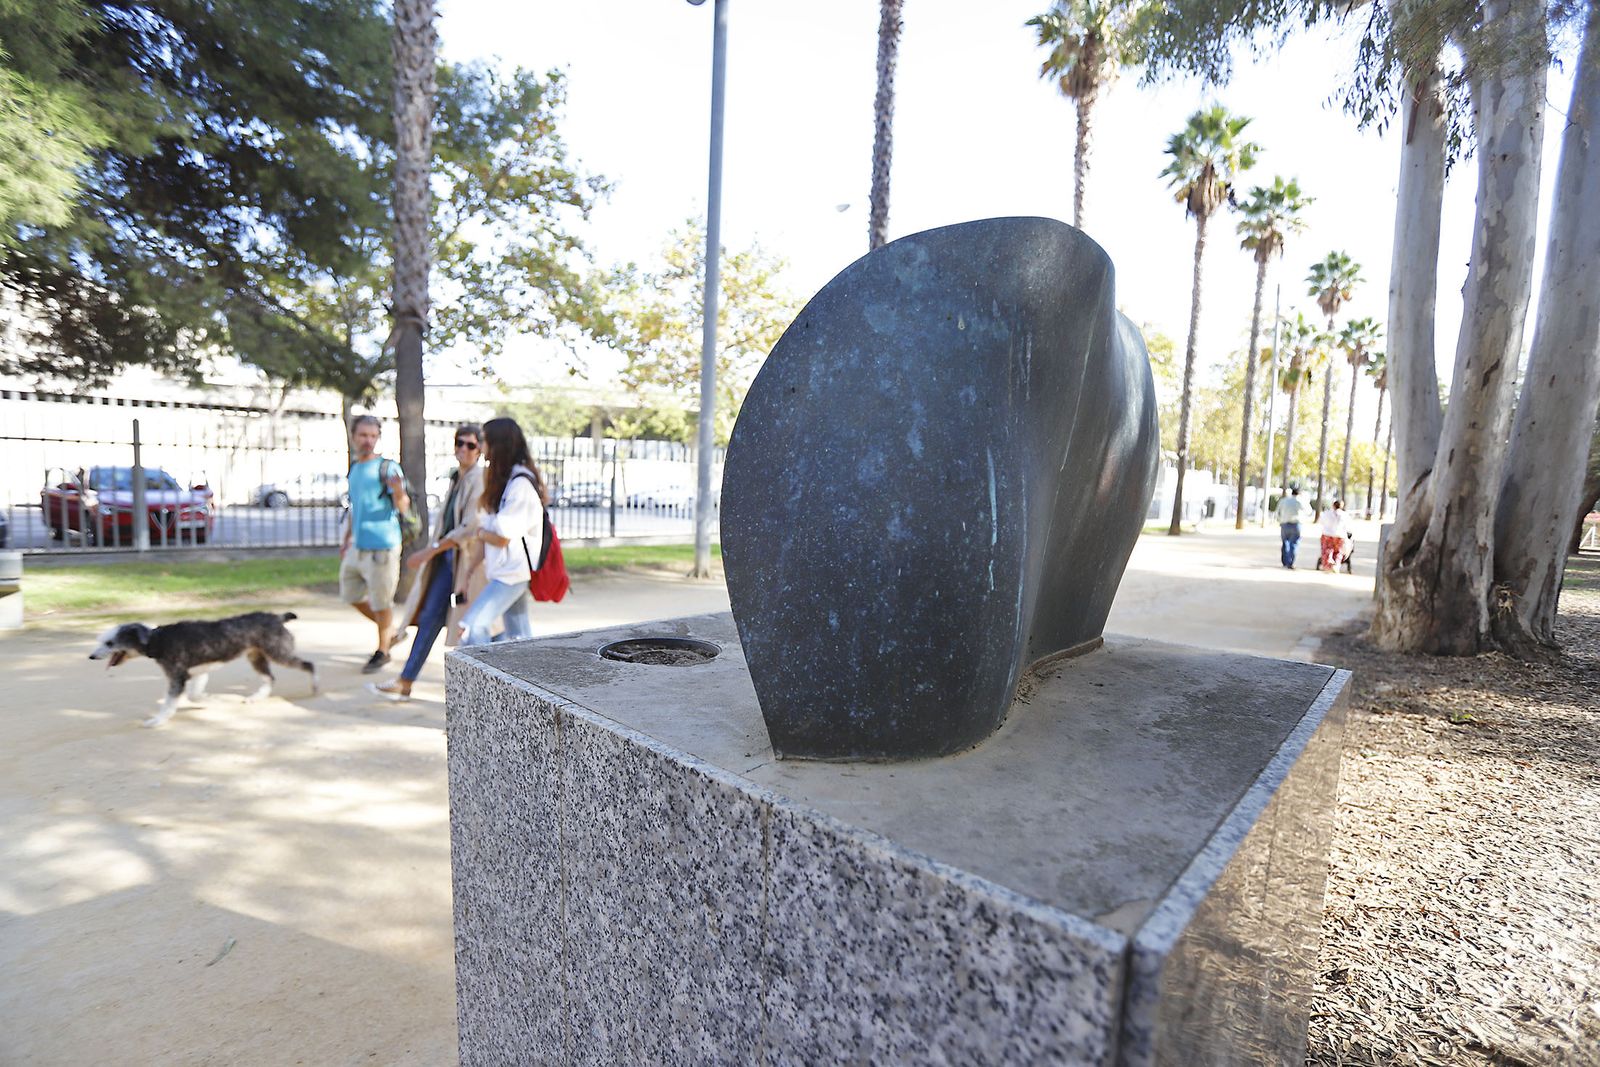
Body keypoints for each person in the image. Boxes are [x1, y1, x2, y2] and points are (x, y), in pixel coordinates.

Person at [367, 424, 487, 702]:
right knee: (432, 618)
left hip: (464, 563)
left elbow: (470, 527)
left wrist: (429, 552)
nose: (464, 450)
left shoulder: (478, 478)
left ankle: (478, 695)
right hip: (449, 559)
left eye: (471, 445)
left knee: (478, 628)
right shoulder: (459, 477)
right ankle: (406, 680)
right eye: (460, 443)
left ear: (480, 450)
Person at [458, 417, 548, 647]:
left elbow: (501, 537)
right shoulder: (508, 481)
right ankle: (527, 681)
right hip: (506, 571)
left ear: (498, 445)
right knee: (519, 637)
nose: (480, 446)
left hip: (512, 573)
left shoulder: (520, 485)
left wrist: (480, 532)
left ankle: (474, 681)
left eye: (484, 440)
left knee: (474, 626)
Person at [341, 415, 410, 673]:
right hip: (358, 546)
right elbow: (355, 507)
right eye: (363, 435)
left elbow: (403, 507)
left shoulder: (389, 468)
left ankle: (383, 650)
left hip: (383, 545)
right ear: (354, 436)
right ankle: (390, 632)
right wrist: (347, 538)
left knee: (382, 602)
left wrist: (400, 492)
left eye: (372, 435)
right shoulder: (355, 468)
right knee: (350, 593)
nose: (368, 440)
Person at [1275, 486, 1306, 569]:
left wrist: (1280, 520)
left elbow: (1277, 512)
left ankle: (1284, 562)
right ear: (1299, 494)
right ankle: (1290, 563)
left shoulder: (1284, 500)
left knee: (1285, 543)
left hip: (1284, 524)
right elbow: (1309, 511)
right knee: (1294, 544)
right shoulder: (1301, 501)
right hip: (1296, 525)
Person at [1319, 499, 1351, 572]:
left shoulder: (1326, 513)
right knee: (1338, 551)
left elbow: (1321, 522)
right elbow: (1348, 527)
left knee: (1327, 550)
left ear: (1333, 505)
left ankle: (1327, 566)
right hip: (1340, 536)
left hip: (1327, 534)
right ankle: (1336, 565)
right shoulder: (1345, 515)